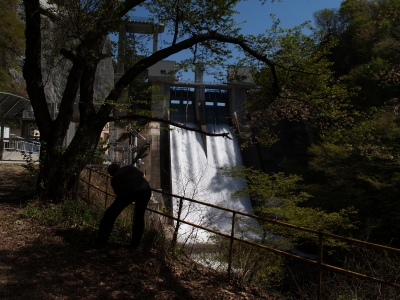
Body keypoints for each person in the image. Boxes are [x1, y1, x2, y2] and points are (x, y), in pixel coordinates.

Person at [94, 163, 151, 249]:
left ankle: (101, 241)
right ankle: (135, 245)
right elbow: (144, 177)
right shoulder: (130, 167)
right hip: (145, 190)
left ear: (112, 173)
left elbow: (118, 194)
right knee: (139, 217)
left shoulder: (115, 178)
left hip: (129, 192)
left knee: (110, 215)